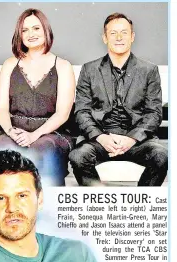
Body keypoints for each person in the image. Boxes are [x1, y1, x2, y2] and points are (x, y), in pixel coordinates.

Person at [69, 13, 168, 186]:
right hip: (100, 138)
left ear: (132, 37)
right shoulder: (89, 70)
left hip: (138, 140)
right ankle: (99, 205)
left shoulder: (149, 70)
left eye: (124, 32)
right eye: (113, 33)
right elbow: (81, 112)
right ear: (105, 38)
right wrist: (101, 137)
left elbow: (154, 113)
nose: (119, 37)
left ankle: (141, 208)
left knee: (161, 156)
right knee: (78, 156)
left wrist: (131, 138)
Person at [0, 8, 75, 186]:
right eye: (25, 30)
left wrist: (33, 136)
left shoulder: (63, 66)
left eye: (36, 28)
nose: (31, 34)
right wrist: (10, 131)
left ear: (46, 30)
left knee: (42, 149)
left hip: (51, 133)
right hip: (16, 131)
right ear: (19, 35)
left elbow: (62, 114)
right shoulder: (10, 64)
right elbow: (1, 108)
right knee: (2, 148)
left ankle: (46, 209)